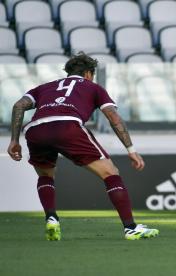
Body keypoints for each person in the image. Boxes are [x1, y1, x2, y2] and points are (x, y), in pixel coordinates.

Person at [7, 53, 159, 241]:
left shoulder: (45, 87)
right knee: (111, 173)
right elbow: (114, 117)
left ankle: (52, 218)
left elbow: (18, 106)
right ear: (88, 73)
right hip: (68, 126)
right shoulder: (93, 87)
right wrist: (131, 150)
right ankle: (130, 228)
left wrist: (14, 140)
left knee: (46, 175)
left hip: (35, 129)